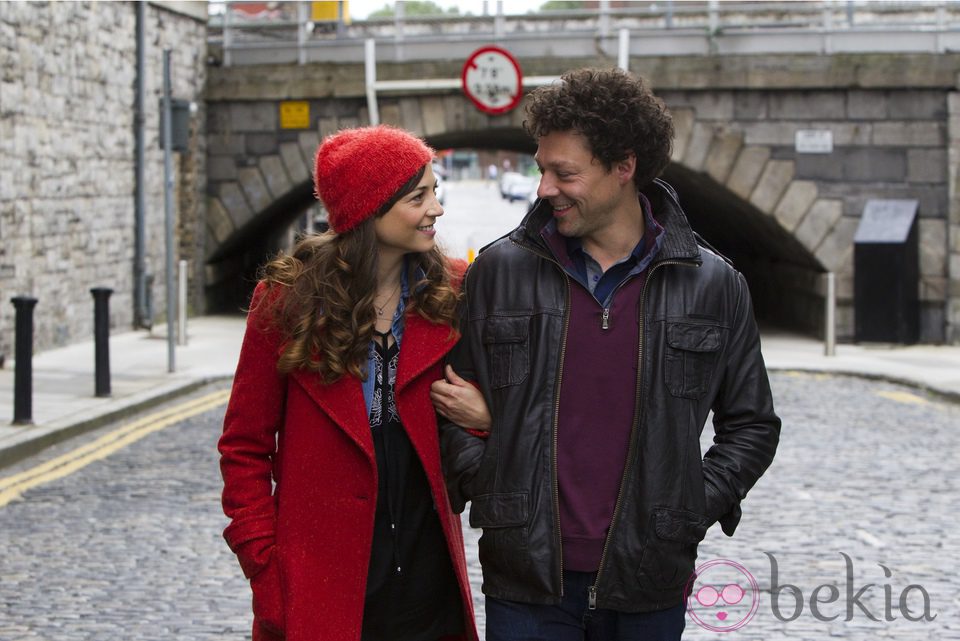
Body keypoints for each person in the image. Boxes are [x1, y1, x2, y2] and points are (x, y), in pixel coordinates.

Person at [434, 68, 781, 641]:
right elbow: (449, 401)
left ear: (625, 167)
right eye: (541, 168)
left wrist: (687, 507)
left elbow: (751, 426)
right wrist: (491, 480)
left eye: (563, 173)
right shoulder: (498, 272)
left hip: (650, 582)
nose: (544, 187)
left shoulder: (713, 284)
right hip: (525, 582)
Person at [219, 125, 490, 641]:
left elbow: (487, 417)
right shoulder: (286, 303)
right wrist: (266, 569)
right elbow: (243, 448)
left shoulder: (453, 293)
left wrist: (485, 419)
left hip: (429, 591)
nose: (436, 208)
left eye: (435, 191)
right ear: (370, 208)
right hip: (322, 592)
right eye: (418, 196)